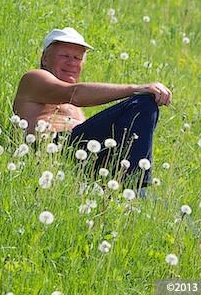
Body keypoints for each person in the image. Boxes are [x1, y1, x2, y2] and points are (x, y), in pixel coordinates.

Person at [12, 27, 171, 188]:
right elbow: (76, 94)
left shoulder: (75, 106)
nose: (72, 63)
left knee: (139, 111)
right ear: (45, 58)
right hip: (51, 148)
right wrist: (137, 89)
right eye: (64, 56)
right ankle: (137, 188)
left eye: (77, 58)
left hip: (83, 156)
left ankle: (125, 187)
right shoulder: (35, 78)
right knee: (142, 103)